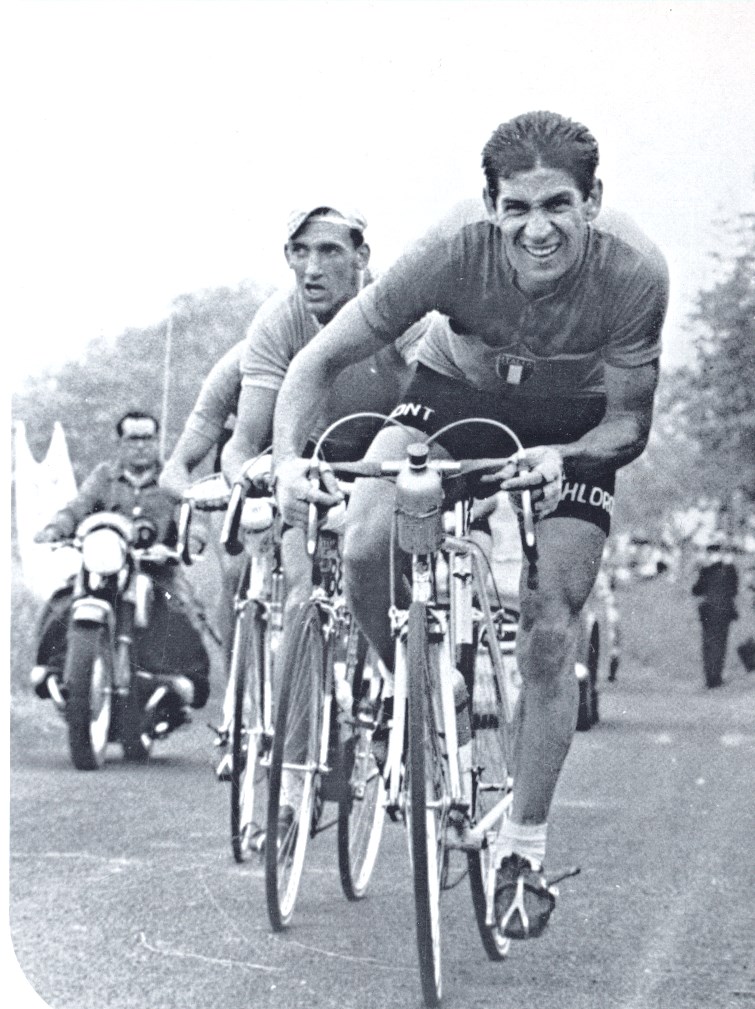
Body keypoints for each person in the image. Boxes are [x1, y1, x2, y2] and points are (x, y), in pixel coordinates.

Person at [271, 111, 668, 939]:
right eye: (515, 209)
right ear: (489, 206)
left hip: (576, 416)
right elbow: (315, 361)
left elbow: (628, 424)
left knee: (549, 623)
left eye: (558, 205)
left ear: (592, 202)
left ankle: (521, 846)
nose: (537, 229)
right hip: (456, 391)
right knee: (364, 536)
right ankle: (409, 680)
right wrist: (284, 465)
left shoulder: (634, 273)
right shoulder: (451, 251)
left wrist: (565, 459)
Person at [31, 411, 211, 725]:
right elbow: (77, 507)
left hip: (157, 570)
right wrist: (56, 528)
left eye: (147, 438)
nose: (141, 446)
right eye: (133, 438)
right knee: (62, 602)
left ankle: (183, 681)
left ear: (157, 441)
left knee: (180, 609)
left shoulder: (172, 478)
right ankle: (56, 668)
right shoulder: (104, 476)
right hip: (107, 569)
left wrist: (189, 543)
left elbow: (192, 517)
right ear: (120, 443)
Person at [692, 534, 739, 688]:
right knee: (720, 643)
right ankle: (716, 677)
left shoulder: (706, 570)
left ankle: (710, 678)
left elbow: (696, 590)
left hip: (708, 610)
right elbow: (734, 589)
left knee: (708, 643)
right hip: (724, 610)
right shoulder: (730, 569)